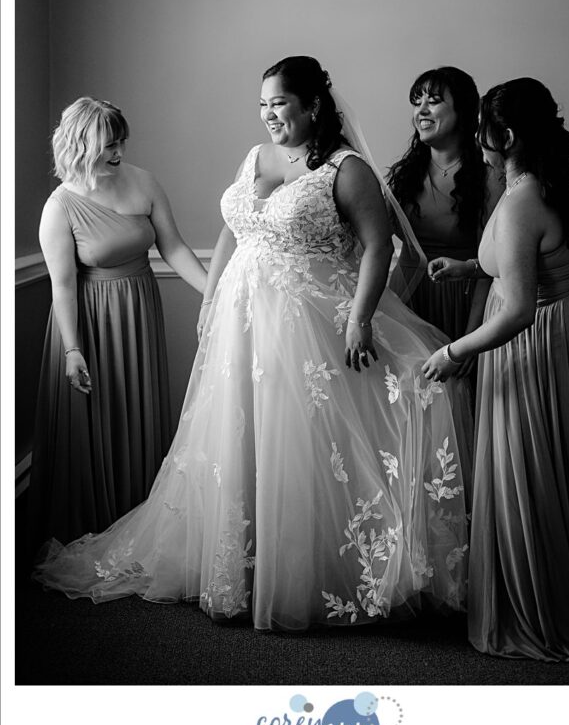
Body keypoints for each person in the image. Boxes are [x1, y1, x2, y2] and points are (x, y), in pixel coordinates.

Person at [33, 57, 472, 632]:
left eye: (280, 103)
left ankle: (310, 570)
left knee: (307, 440)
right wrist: (212, 301)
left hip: (309, 322)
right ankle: (241, 564)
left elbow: (377, 247)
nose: (268, 115)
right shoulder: (256, 157)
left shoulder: (347, 169)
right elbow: (233, 231)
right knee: (240, 435)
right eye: (262, 104)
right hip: (241, 322)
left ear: (312, 106)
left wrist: (360, 319)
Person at [423, 78, 569, 665]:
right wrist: (469, 267)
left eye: (484, 130)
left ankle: (547, 609)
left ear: (503, 135)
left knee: (534, 468)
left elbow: (514, 309)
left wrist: (455, 352)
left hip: (537, 344)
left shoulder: (517, 202)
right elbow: (539, 259)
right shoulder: (549, 185)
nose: (477, 142)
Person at [28, 98, 208, 549]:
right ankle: (94, 524)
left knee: (137, 407)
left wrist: (216, 292)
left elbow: (175, 248)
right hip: (89, 322)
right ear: (82, 144)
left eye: (121, 142)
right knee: (97, 420)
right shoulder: (60, 208)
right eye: (109, 145)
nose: (118, 153)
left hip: (139, 312)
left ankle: (142, 519)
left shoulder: (143, 181)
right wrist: (72, 350)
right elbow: (63, 288)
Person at [387, 67, 500, 385]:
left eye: (433, 101)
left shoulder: (487, 176)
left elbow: (490, 266)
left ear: (463, 110)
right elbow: (377, 239)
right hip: (408, 300)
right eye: (416, 101)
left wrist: (471, 338)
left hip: (463, 304)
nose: (421, 110)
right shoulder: (405, 174)